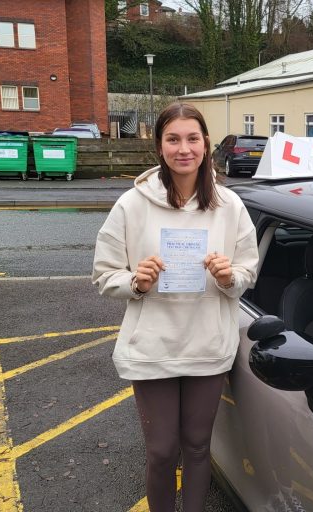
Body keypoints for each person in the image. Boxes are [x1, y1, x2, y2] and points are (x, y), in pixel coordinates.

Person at [92, 102, 259, 511]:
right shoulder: (132, 205)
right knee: (163, 451)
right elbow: (104, 274)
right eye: (173, 139)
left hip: (208, 344)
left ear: (206, 144)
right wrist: (135, 281)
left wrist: (228, 278)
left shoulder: (229, 206)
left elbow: (247, 271)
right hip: (153, 347)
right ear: (159, 146)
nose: (183, 148)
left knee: (198, 447)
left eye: (192, 138)